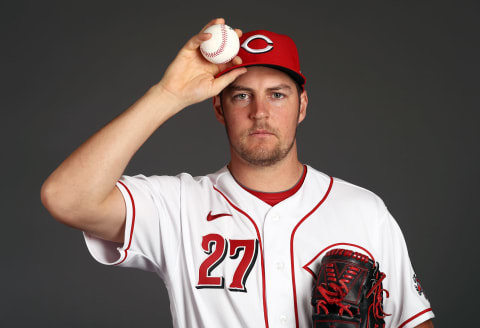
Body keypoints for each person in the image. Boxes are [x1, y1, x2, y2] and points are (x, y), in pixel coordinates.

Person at [41, 18, 434, 328]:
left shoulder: (363, 210)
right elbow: (66, 198)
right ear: (218, 108)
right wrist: (168, 95)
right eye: (241, 95)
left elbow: (414, 321)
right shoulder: (178, 207)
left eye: (277, 94)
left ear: (301, 106)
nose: (260, 112)